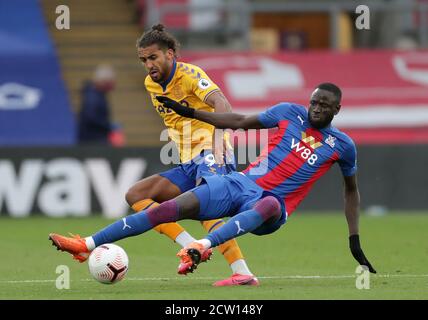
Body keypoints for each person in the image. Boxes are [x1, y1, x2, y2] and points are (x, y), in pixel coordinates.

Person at [49, 83, 376, 279]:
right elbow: (237, 120)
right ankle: (86, 244)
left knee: (269, 202)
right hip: (241, 184)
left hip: (271, 208)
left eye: (325, 105)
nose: (317, 108)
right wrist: (192, 113)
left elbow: (351, 192)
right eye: (314, 102)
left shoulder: (343, 146)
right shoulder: (289, 112)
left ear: (338, 109)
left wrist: (354, 239)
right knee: (170, 209)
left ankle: (200, 246)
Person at [75, 24, 258, 287]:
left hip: (210, 152)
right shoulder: (151, 84)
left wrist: (219, 143)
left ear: (170, 54)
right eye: (143, 60)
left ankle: (242, 272)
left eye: (153, 57)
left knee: (207, 205)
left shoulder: (191, 75)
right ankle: (191, 247)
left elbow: (223, 104)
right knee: (136, 195)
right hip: (188, 161)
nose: (149, 65)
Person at [77, 64, 117, 145]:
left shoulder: (95, 94)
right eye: (111, 82)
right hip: (93, 141)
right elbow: (91, 117)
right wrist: (108, 126)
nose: (113, 86)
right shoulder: (93, 96)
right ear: (105, 82)